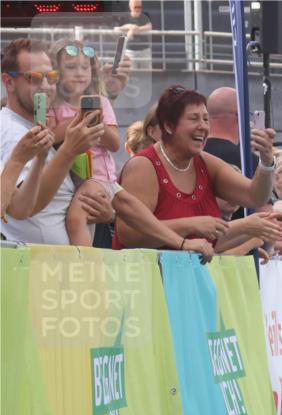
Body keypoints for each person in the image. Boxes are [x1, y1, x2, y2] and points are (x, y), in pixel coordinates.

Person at [0, 39, 197, 254]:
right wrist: (69, 149)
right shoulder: (13, 134)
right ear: (8, 82)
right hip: (40, 271)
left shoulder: (38, 126)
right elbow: (22, 208)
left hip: (57, 272)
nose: (46, 86)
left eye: (51, 77)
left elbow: (122, 202)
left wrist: (108, 215)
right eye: (34, 78)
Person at [115, 85, 282, 253]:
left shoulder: (206, 163)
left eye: (206, 119)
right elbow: (130, 234)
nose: (203, 126)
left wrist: (266, 161)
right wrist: (191, 225)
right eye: (194, 119)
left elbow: (255, 196)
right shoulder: (144, 166)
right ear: (169, 126)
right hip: (147, 279)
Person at [48, 38, 121, 245]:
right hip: (71, 180)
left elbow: (115, 144)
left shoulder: (102, 102)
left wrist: (97, 122)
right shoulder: (54, 106)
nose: (79, 73)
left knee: (75, 219)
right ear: (56, 72)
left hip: (98, 178)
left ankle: (84, 265)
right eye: (70, 67)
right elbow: (51, 136)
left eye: (84, 67)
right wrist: (79, 117)